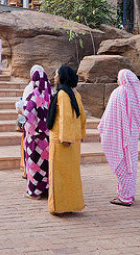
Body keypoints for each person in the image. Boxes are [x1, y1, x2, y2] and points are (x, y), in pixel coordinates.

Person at [98, 69, 140, 207]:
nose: (118, 80)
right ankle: (128, 193)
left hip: (120, 138)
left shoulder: (119, 92)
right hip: (131, 138)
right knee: (130, 166)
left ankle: (125, 197)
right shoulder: (134, 94)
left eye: (119, 77)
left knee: (122, 165)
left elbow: (110, 116)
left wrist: (102, 127)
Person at [46, 65, 86, 215]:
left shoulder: (63, 94)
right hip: (73, 141)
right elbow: (82, 117)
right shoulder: (75, 94)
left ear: (61, 76)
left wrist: (65, 138)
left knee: (59, 176)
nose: (55, 77)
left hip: (62, 141)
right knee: (72, 176)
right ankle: (72, 204)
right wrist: (79, 134)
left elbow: (64, 117)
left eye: (56, 74)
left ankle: (58, 207)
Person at [23, 65, 52, 199]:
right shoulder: (50, 96)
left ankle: (35, 192)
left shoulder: (33, 96)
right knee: (45, 165)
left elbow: (28, 116)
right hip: (47, 138)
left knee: (34, 165)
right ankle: (46, 189)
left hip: (34, 139)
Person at [17, 64, 45, 177]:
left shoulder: (29, 88)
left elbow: (26, 107)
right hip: (43, 127)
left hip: (31, 126)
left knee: (30, 148)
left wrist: (19, 108)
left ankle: (29, 172)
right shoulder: (47, 89)